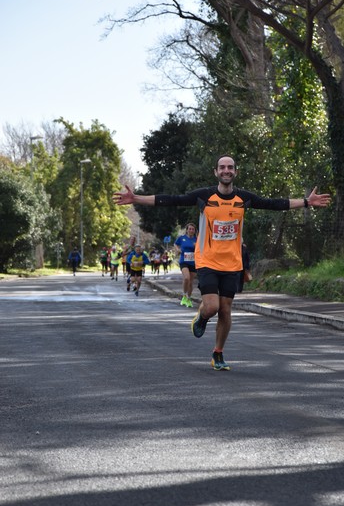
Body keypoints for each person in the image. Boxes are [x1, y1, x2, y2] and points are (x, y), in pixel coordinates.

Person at [113, 154, 330, 371]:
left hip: (232, 264)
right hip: (207, 260)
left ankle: (218, 352)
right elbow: (171, 199)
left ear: (235, 172)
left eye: (230, 167)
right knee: (213, 307)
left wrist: (306, 202)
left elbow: (274, 204)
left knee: (226, 311)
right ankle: (202, 315)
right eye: (222, 167)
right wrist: (136, 198)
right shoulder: (204, 196)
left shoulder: (243, 198)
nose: (226, 170)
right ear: (216, 172)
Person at [174, 222, 198, 307]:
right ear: (187, 230)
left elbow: (202, 249)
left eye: (193, 229)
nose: (191, 230)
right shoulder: (182, 238)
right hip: (183, 261)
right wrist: (178, 250)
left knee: (191, 282)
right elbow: (176, 244)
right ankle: (184, 295)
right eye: (189, 229)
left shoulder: (197, 239)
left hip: (193, 261)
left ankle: (188, 298)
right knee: (186, 278)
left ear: (195, 231)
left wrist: (196, 246)